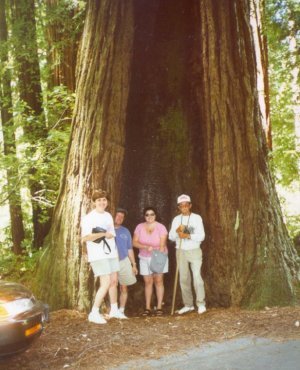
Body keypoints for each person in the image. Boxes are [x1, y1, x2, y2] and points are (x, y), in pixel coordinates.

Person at [81, 190, 127, 324]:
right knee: (105, 283)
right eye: (99, 200)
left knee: (114, 281)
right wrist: (102, 234)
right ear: (94, 202)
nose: (102, 202)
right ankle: (94, 313)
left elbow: (112, 234)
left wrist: (114, 251)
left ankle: (114, 310)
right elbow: (84, 238)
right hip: (98, 254)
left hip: (111, 253)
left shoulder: (107, 216)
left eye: (104, 200)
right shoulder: (89, 218)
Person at [169, 194, 206, 315]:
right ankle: (188, 304)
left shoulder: (197, 218)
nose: (184, 207)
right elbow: (171, 236)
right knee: (183, 278)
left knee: (196, 277)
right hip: (180, 251)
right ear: (178, 207)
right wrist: (177, 233)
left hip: (194, 250)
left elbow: (201, 236)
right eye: (181, 206)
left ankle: (201, 303)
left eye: (186, 205)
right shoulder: (176, 219)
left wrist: (188, 234)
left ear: (190, 205)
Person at [133, 207, 168, 316]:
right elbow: (134, 242)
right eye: (147, 214)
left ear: (155, 215)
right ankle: (147, 308)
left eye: (152, 214)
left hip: (159, 257)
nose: (149, 216)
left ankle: (159, 307)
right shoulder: (139, 227)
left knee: (158, 281)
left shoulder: (161, 227)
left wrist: (157, 260)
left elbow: (162, 246)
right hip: (144, 258)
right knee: (148, 282)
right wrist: (144, 246)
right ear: (144, 216)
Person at [114, 208, 138, 317]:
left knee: (123, 287)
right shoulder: (107, 229)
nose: (119, 218)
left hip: (123, 261)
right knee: (111, 285)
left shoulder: (125, 231)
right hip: (111, 262)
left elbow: (129, 249)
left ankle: (121, 310)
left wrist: (134, 264)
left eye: (122, 217)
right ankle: (112, 309)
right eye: (117, 215)